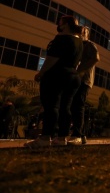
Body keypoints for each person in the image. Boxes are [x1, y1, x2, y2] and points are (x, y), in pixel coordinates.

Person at [26, 15, 83, 148]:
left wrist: (41, 72)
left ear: (66, 25)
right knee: (65, 107)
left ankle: (46, 137)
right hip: (73, 76)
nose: (59, 25)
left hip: (57, 75)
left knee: (51, 106)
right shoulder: (79, 42)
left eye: (61, 23)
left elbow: (52, 58)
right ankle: (62, 137)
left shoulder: (61, 38)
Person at [68, 25, 100, 145]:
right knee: (74, 106)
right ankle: (81, 134)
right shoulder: (78, 45)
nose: (81, 34)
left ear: (87, 34)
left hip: (84, 80)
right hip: (76, 79)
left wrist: (81, 70)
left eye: (83, 32)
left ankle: (77, 134)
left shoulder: (89, 45)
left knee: (78, 105)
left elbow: (96, 58)